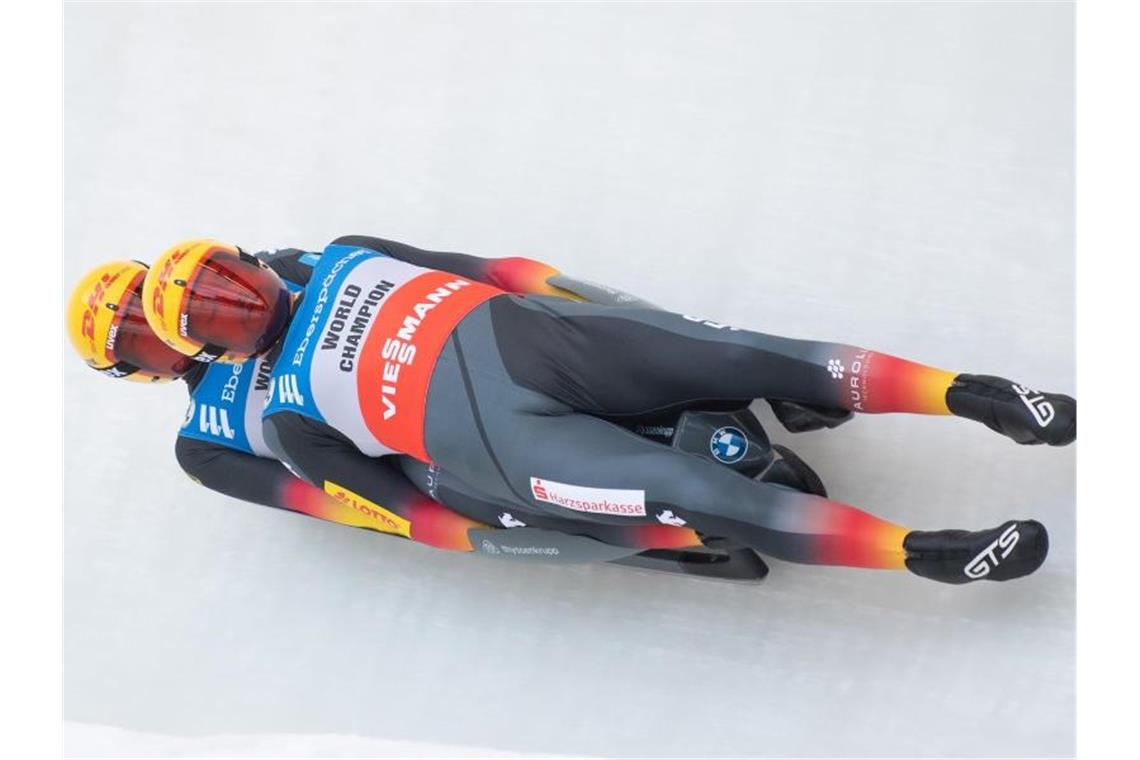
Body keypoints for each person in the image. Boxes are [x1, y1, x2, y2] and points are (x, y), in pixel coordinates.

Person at [138, 235, 1075, 585]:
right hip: (506, 447)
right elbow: (388, 507)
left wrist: (611, 306)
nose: (240, 306)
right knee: (681, 489)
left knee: (746, 352)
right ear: (190, 356)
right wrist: (497, 528)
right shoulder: (287, 418)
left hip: (539, 339)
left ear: (250, 257)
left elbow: (490, 270)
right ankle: (926, 554)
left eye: (231, 282)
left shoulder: (341, 254)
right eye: (214, 316)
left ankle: (975, 395)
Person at [69, 252, 806, 578]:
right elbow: (328, 499)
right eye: (142, 342)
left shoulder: (279, 272)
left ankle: (714, 361)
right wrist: (432, 527)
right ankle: (650, 516)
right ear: (141, 370)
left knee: (529, 321)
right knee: (449, 474)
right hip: (401, 449)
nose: (182, 332)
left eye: (151, 316)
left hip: (463, 359)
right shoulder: (203, 446)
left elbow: (438, 276)